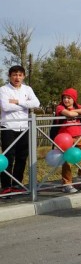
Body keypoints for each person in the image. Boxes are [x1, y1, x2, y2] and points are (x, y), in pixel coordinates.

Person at [0, 65, 40, 194]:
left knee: (22, 157)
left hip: (24, 127)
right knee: (8, 158)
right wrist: (25, 104)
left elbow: (36, 103)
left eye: (20, 75)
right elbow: (5, 107)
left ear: (23, 76)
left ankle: (17, 184)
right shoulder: (3, 90)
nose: (17, 78)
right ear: (10, 76)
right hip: (8, 127)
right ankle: (6, 186)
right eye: (14, 75)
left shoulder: (27, 89)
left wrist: (17, 102)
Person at [55, 88, 81, 193]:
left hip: (79, 136)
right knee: (67, 161)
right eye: (64, 98)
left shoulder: (77, 106)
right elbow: (69, 115)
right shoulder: (59, 107)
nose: (66, 100)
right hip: (65, 138)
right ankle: (67, 184)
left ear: (74, 99)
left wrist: (74, 111)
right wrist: (74, 112)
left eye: (69, 98)